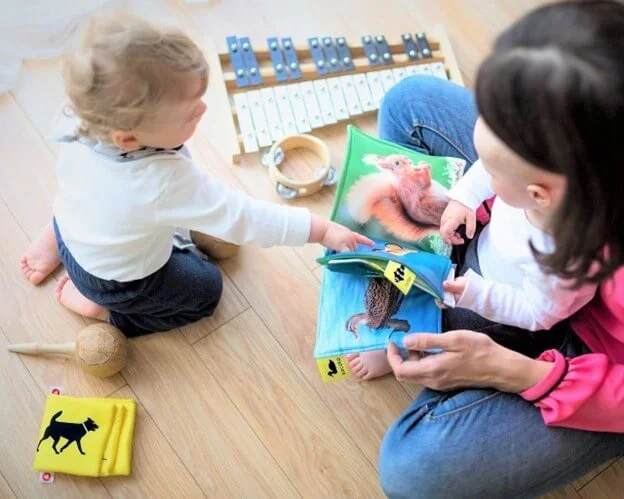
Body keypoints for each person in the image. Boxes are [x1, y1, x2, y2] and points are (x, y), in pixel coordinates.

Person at [361, 1, 624, 496]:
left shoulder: (563, 264)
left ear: (541, 194)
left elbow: (532, 311)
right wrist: (467, 194)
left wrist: (515, 371)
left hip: (545, 322)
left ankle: (405, 340)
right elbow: (490, 172)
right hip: (522, 236)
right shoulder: (547, 187)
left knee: (413, 471)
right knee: (409, 100)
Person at [19, 14, 371, 337]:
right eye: (190, 114)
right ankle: (105, 311)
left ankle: (56, 238)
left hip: (76, 227)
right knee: (206, 291)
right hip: (116, 283)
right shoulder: (162, 183)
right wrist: (322, 230)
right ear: (128, 138)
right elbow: (243, 217)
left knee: (91, 197)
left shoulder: (74, 117)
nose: (203, 110)